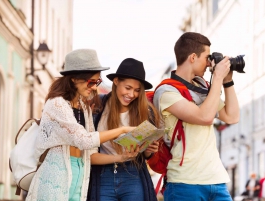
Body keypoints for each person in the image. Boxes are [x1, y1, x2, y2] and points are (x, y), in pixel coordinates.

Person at [26, 49, 136, 201]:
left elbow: (91, 154)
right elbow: (83, 140)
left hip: (80, 180)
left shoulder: (84, 109)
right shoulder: (56, 104)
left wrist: (121, 157)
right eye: (91, 82)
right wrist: (122, 130)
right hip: (54, 179)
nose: (94, 87)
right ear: (74, 79)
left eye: (97, 82)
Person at [152, 32, 240, 201]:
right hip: (185, 182)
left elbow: (231, 116)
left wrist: (227, 81)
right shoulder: (167, 92)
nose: (209, 63)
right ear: (193, 57)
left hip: (217, 180)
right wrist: (217, 78)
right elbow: (204, 117)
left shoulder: (203, 86)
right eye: (207, 57)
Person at [87, 58, 161, 201]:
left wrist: (149, 149)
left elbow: (146, 156)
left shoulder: (146, 111)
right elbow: (88, 147)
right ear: (116, 81)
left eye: (137, 90)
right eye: (128, 88)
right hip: (103, 174)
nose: (132, 94)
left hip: (133, 173)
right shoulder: (97, 106)